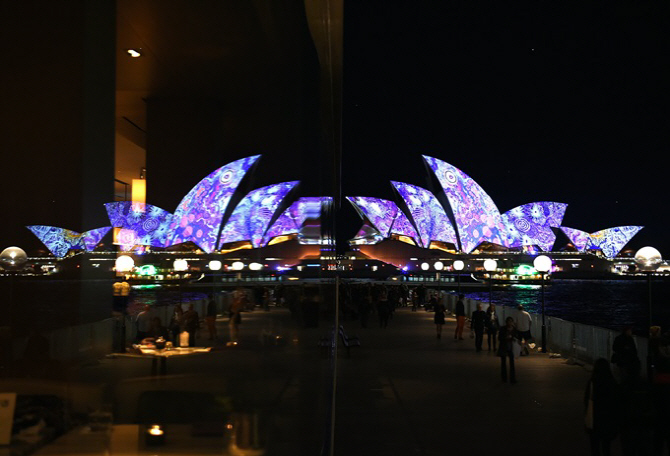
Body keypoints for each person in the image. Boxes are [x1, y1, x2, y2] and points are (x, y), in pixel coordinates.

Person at [584, 358, 621, 456]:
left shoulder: (593, 382)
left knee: (595, 447)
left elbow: (586, 400)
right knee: (606, 446)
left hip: (594, 418)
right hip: (608, 419)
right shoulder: (612, 382)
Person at [497, 317, 520, 383]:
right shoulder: (503, 329)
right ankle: (504, 378)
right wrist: (505, 338)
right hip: (504, 347)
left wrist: (513, 339)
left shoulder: (514, 330)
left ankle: (512, 378)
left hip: (511, 347)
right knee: (503, 363)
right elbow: (499, 338)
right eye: (509, 322)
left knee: (512, 363)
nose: (510, 323)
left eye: (511, 322)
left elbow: (516, 337)